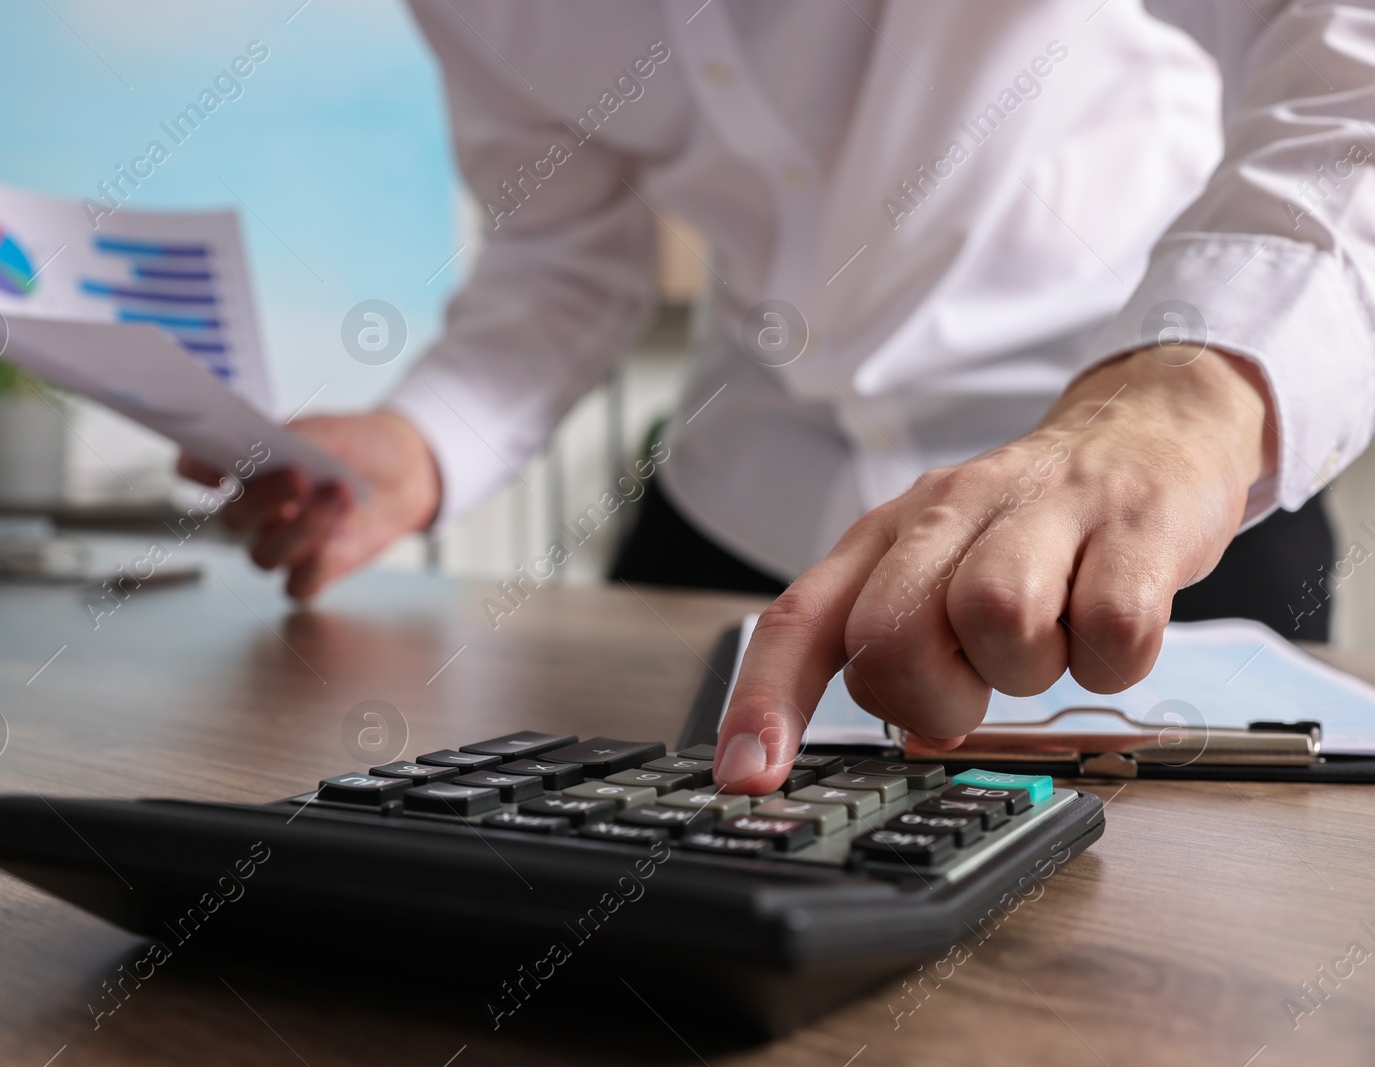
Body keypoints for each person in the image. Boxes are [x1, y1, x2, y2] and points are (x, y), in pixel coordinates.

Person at [180, 1, 1375, 796]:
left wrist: (1183, 392)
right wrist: (422, 439)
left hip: (1145, 486)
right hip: (735, 510)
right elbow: (559, 249)